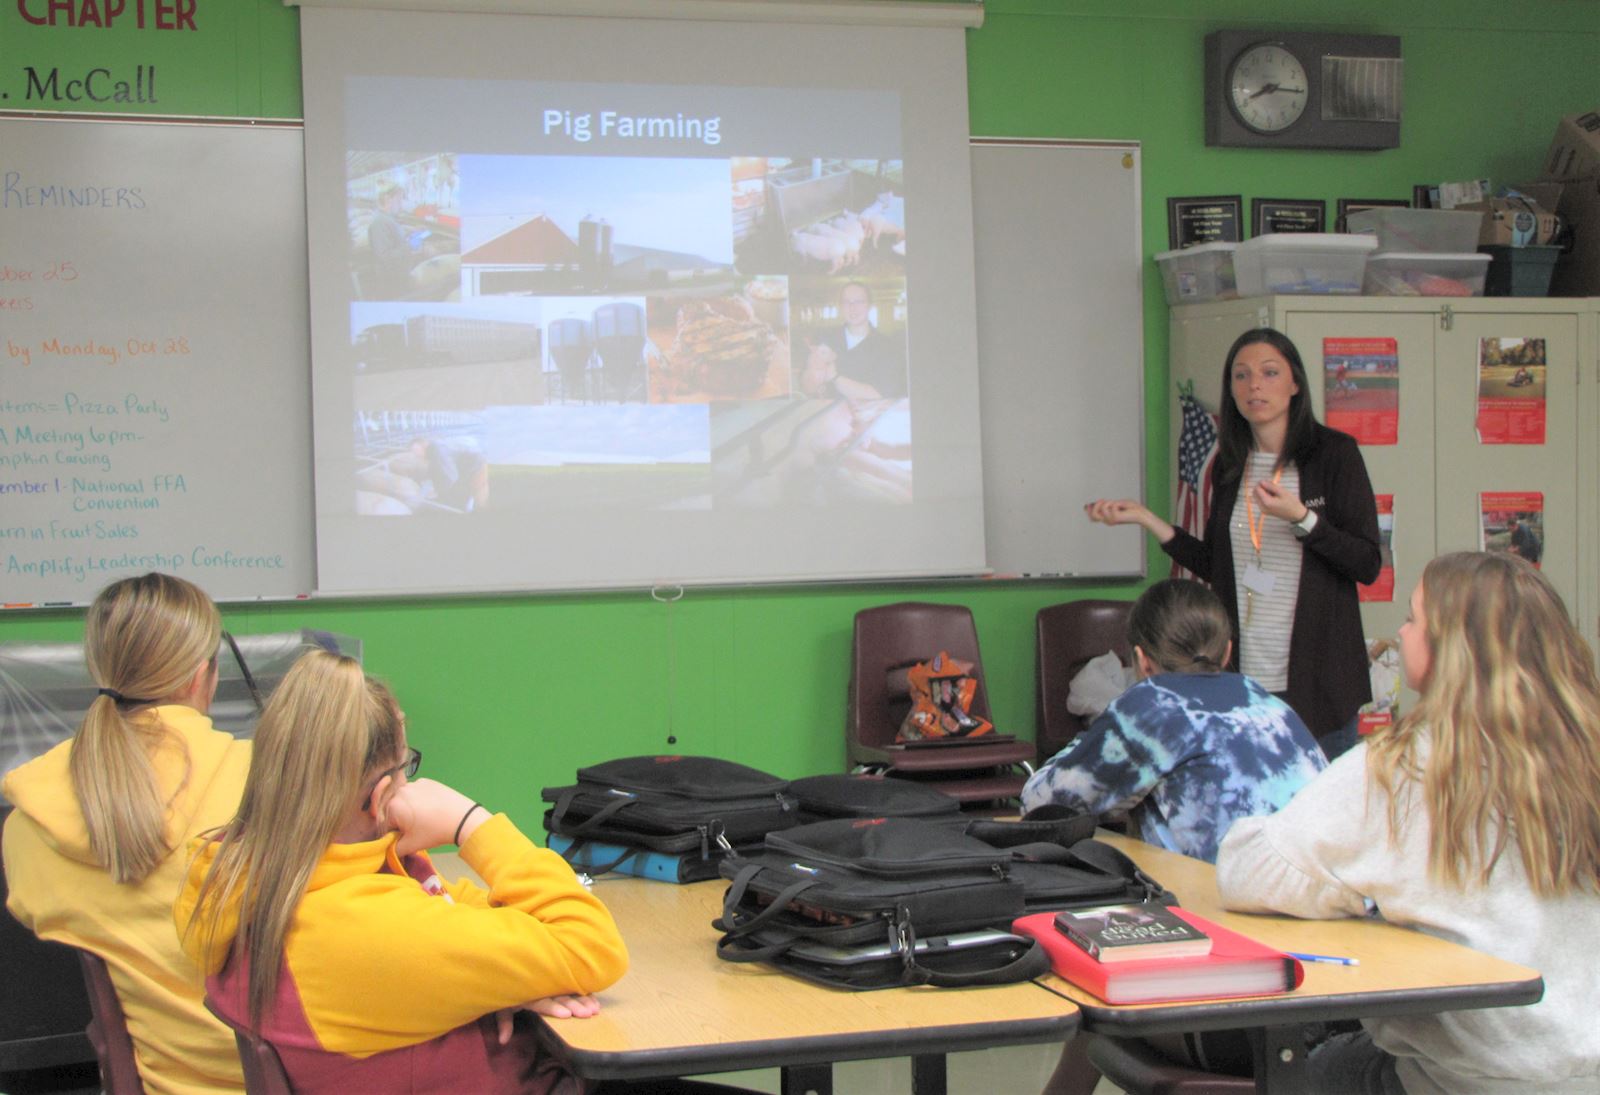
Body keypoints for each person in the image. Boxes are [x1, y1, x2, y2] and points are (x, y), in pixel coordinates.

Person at [1217, 552, 1600, 1093]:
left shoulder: (1407, 765)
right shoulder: (1588, 753)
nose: (1400, 632)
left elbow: (1247, 868)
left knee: (1309, 1067)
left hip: (1471, 1079)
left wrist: (1356, 891)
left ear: (1453, 650)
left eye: (1415, 619)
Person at [176, 650, 629, 1093]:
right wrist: (471, 822)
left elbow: (452, 908)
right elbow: (592, 945)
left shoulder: (251, 878)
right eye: (405, 767)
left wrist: (502, 980)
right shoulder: (364, 924)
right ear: (378, 798)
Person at [2, 573, 249, 1095]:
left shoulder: (27, 823)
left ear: (99, 666)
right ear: (201, 675)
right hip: (281, 1076)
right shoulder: (265, 784)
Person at [1085, 328, 1381, 760]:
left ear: (1295, 383)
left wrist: (1302, 518)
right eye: (1240, 376)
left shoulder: (1334, 454)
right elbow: (1218, 565)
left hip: (1318, 680)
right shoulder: (1229, 462)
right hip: (1245, 672)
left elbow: (1367, 563)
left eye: (1269, 372)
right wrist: (1148, 520)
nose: (1254, 385)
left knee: (1316, 817)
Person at [1021, 579, 1326, 864]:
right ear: (1227, 651)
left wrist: (1097, 739)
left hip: (1225, 900)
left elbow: (1041, 804)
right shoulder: (1269, 703)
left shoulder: (1154, 705)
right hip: (1318, 893)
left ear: (1142, 660)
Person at [818, 281, 907, 399]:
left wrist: (834, 377)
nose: (852, 307)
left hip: (871, 416)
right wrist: (814, 366)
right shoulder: (827, 338)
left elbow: (879, 393)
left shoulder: (888, 346)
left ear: (869, 305)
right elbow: (807, 386)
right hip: (832, 415)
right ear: (840, 306)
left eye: (859, 301)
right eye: (846, 302)